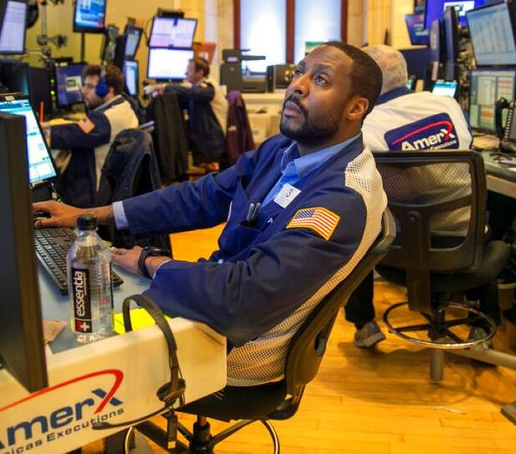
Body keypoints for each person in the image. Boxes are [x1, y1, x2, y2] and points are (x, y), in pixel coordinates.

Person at [35, 42, 387, 392]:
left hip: (240, 349)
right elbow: (202, 196)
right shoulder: (285, 148)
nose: (297, 85)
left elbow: (242, 297)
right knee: (85, 307)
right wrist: (93, 215)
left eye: (321, 80)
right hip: (219, 298)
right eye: (299, 72)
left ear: (356, 108)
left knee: (72, 352)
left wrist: (150, 263)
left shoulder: (342, 198)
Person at [344, 45, 475, 348]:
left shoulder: (363, 127)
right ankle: (485, 315)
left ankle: (364, 324)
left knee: (355, 216)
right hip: (462, 239)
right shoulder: (449, 105)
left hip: (398, 248)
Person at [49, 64, 139, 207]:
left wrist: (41, 131)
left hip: (90, 196)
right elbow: (80, 128)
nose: (84, 91)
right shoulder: (125, 106)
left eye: (90, 87)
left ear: (107, 90)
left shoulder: (104, 119)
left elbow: (70, 135)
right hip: (110, 188)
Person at [152, 57, 228, 171]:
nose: (185, 73)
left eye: (190, 70)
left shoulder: (208, 87)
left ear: (200, 72)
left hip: (212, 143)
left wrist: (165, 87)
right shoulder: (199, 87)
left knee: (172, 143)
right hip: (206, 139)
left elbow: (191, 93)